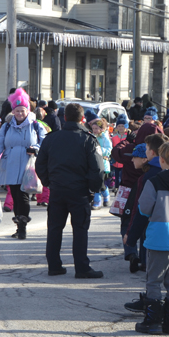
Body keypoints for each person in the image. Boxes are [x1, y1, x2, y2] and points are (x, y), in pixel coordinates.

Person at [35, 102, 105, 278]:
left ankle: (54, 265)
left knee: (55, 228)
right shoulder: (88, 139)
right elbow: (97, 169)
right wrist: (93, 189)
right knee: (80, 229)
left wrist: (49, 182)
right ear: (82, 119)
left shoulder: (52, 138)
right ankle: (82, 268)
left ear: (64, 118)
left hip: (58, 190)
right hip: (80, 191)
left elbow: (40, 164)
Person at [130, 141, 169, 335]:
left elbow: (144, 208)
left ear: (160, 160)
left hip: (158, 236)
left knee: (154, 280)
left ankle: (152, 321)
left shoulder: (154, 182)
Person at [0, 89, 46, 240]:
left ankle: (23, 227)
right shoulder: (6, 126)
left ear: (27, 110)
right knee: (16, 196)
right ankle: (19, 226)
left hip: (27, 164)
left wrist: (36, 149)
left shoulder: (35, 125)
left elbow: (45, 141)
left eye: (22, 110)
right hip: (10, 163)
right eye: (17, 111)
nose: (19, 114)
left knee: (23, 195)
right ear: (13, 111)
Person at [124, 134, 169, 274]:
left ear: (153, 152)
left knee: (153, 273)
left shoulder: (148, 177)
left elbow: (141, 209)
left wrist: (130, 236)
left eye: (147, 148)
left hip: (153, 228)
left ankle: (152, 294)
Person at [87, 112, 113, 210]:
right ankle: (106, 196)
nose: (94, 130)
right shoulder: (92, 137)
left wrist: (99, 151)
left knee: (99, 183)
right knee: (98, 183)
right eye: (93, 129)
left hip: (103, 164)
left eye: (96, 129)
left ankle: (97, 202)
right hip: (94, 163)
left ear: (101, 129)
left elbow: (109, 150)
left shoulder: (104, 138)